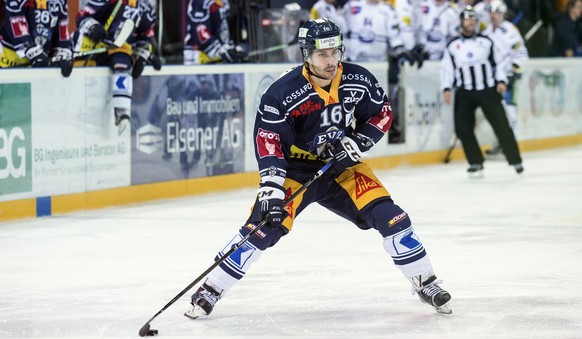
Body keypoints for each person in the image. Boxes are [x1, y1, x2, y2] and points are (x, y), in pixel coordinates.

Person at [184, 18, 453, 320]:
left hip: (341, 166)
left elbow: (382, 112)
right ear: (306, 55)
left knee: (392, 218)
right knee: (263, 228)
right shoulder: (282, 93)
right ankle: (211, 288)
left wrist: (357, 141)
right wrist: (271, 188)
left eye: (335, 52)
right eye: (322, 54)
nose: (330, 61)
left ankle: (425, 281)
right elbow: (269, 141)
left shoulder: (357, 79)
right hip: (295, 172)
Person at [441, 6, 523, 176]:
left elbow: (499, 63)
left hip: (487, 89)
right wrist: (447, 87)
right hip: (465, 91)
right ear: (461, 21)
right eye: (467, 18)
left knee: (501, 125)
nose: (471, 22)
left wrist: (501, 80)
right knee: (462, 128)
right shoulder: (453, 45)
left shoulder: (487, 42)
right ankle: (476, 162)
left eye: (474, 19)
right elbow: (447, 68)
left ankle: (515, 160)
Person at [72, 0, 161, 135]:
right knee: (80, 73)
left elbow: (146, 33)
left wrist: (143, 51)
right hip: (92, 45)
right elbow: (82, 15)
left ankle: (122, 111)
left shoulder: (144, 7)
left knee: (123, 65)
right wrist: (92, 27)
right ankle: (73, 108)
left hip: (118, 47)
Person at [482, 0, 529, 156]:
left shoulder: (510, 30)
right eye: (491, 12)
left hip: (509, 76)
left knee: (509, 110)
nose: (493, 15)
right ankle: (501, 142)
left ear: (502, 13)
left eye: (496, 12)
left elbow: (521, 52)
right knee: (496, 112)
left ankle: (511, 145)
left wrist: (514, 69)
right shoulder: (486, 32)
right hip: (492, 78)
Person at [0, 0, 73, 77]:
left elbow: (62, 33)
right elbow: (15, 20)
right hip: (10, 60)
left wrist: (63, 54)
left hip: (41, 62)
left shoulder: (60, 2)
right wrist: (34, 52)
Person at [183, 0, 246, 65]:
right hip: (198, 58)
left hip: (218, 58)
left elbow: (222, 28)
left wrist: (231, 48)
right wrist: (221, 51)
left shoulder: (223, 2)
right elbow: (200, 32)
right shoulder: (200, 2)